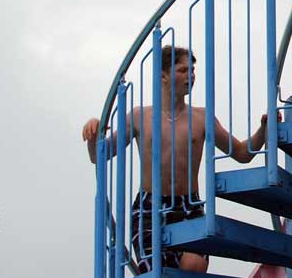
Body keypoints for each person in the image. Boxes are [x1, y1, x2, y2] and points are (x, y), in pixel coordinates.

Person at [81, 45, 272, 274]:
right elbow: (99, 157)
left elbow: (242, 153)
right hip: (149, 207)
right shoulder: (140, 116)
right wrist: (93, 132)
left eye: (192, 70)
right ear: (163, 76)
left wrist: (263, 130)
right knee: (156, 272)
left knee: (193, 265)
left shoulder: (202, 117)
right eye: (183, 70)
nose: (190, 76)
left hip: (188, 205)